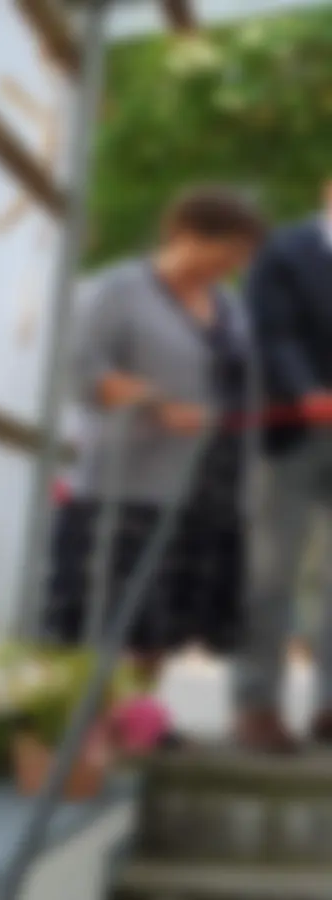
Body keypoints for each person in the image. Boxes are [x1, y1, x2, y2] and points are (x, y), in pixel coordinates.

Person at [43, 187, 264, 726]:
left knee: (164, 621)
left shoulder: (229, 307)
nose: (230, 266)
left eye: (239, 257)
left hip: (206, 487)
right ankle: (79, 728)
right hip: (124, 484)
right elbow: (78, 370)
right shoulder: (119, 291)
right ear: (184, 234)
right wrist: (156, 404)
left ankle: (132, 722)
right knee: (107, 615)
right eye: (224, 252)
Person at [237, 178, 332, 752]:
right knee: (271, 574)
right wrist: (307, 391)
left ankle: (329, 706)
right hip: (291, 434)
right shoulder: (284, 252)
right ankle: (257, 705)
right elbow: (272, 334)